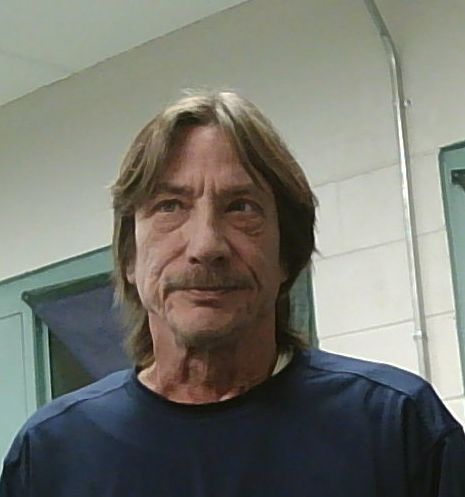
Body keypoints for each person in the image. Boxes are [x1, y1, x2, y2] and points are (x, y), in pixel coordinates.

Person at [1, 90, 464, 497]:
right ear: (128, 257)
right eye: (169, 207)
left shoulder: (399, 430)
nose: (206, 246)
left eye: (241, 207)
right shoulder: (52, 457)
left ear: (287, 254)